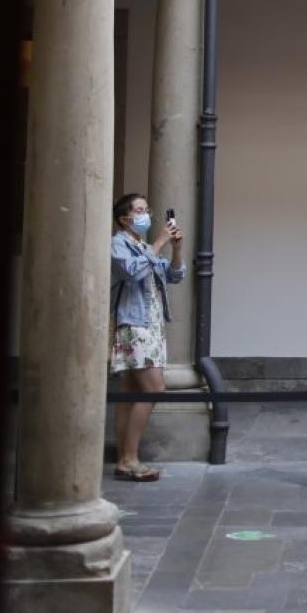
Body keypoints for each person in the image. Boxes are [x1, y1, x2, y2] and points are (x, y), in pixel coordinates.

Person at [109, 192, 183, 481]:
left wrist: (176, 249)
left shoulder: (142, 244)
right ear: (124, 219)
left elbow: (175, 275)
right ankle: (129, 458)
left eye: (146, 209)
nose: (146, 215)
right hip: (134, 325)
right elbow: (132, 273)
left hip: (151, 325)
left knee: (130, 393)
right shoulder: (120, 244)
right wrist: (160, 242)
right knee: (154, 388)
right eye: (139, 210)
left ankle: (124, 460)